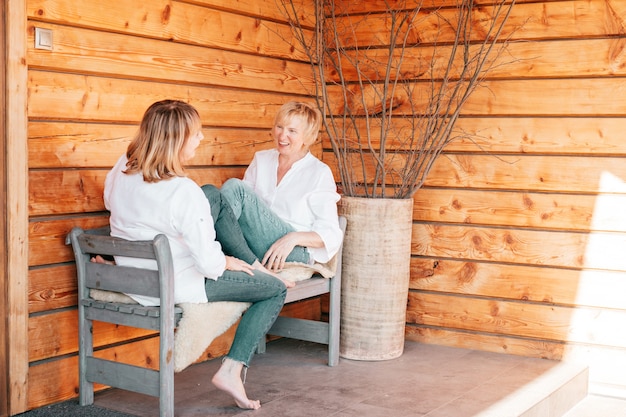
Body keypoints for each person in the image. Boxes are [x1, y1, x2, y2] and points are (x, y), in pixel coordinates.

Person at [103, 99, 287, 410]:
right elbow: (209, 264)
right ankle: (232, 369)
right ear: (176, 140)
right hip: (175, 282)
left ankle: (252, 262)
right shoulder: (182, 191)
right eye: (196, 134)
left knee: (212, 194)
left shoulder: (121, 170)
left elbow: (114, 205)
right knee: (275, 288)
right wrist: (225, 260)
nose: (202, 139)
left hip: (135, 275)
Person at [213, 101, 343, 274]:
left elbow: (330, 233)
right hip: (253, 242)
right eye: (279, 127)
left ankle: (206, 250)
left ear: (307, 136)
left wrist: (292, 238)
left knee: (235, 188)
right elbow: (236, 210)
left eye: (292, 131)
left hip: (290, 251)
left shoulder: (319, 172)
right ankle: (209, 252)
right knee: (211, 193)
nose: (282, 136)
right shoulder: (262, 159)